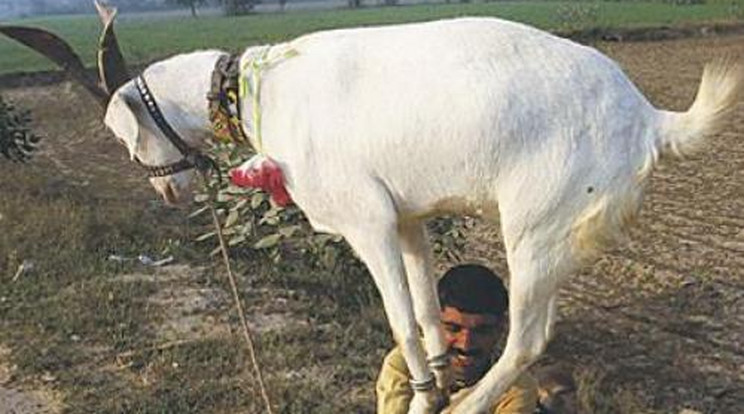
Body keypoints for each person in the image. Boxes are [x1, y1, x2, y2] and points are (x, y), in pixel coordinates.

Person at [376, 264, 538, 413]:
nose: (466, 344)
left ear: (501, 329)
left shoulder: (516, 387)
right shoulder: (405, 364)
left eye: (481, 331)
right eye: (453, 329)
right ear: (431, 324)